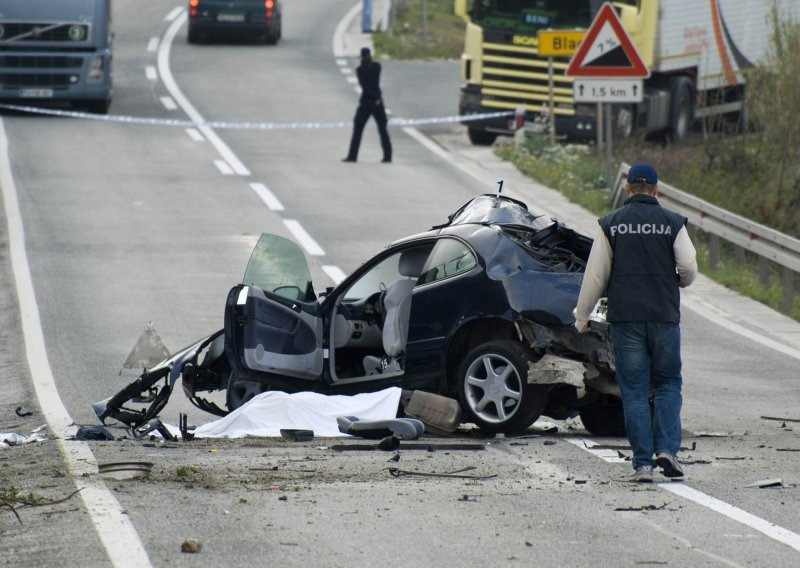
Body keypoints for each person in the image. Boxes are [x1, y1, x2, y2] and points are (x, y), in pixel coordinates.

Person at [574, 163, 698, 483]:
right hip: (664, 317)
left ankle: (643, 464)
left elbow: (596, 275)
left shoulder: (611, 224)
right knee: (669, 384)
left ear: (627, 189)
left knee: (634, 391)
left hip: (626, 319)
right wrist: (678, 281)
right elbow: (688, 266)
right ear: (657, 190)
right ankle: (667, 450)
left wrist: (582, 316)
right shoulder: (673, 223)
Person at [343, 47, 392, 163]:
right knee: (381, 128)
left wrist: (374, 98)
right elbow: (371, 84)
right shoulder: (374, 67)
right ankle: (387, 156)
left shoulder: (362, 69)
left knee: (360, 127)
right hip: (376, 101)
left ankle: (353, 155)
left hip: (367, 101)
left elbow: (367, 85)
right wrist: (376, 98)